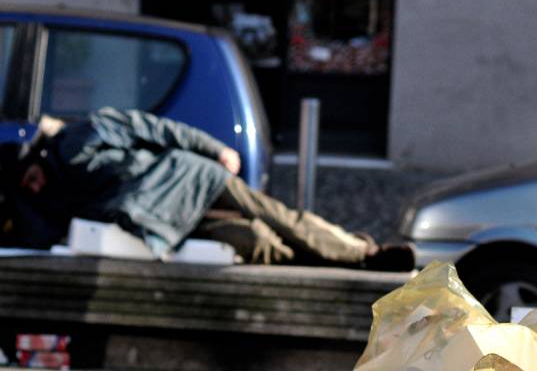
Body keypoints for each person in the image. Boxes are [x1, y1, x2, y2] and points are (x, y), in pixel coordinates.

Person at [0, 107, 379, 265]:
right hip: (158, 217)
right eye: (26, 187)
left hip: (185, 176)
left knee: (276, 215)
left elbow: (156, 127)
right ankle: (319, 256)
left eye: (31, 179)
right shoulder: (45, 196)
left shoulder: (78, 138)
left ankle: (360, 252)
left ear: (38, 160)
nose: (34, 188)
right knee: (253, 239)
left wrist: (213, 149)